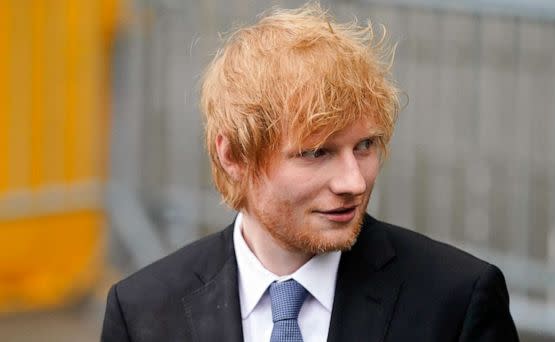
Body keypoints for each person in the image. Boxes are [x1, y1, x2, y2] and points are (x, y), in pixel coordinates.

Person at [102, 3, 519, 341]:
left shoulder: (455, 300)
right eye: (317, 153)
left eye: (365, 146)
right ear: (233, 156)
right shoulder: (143, 311)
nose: (354, 182)